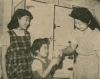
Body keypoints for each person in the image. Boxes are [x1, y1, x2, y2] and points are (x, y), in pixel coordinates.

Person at [62, 7, 100, 79]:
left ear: (88, 22)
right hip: (79, 63)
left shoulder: (96, 34)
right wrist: (62, 51)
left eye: (80, 23)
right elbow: (71, 48)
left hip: (92, 64)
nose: (77, 25)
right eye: (75, 23)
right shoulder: (75, 32)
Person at [0, 9, 34, 79]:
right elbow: (3, 57)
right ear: (18, 18)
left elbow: (32, 56)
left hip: (27, 74)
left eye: (29, 21)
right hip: (12, 75)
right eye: (26, 19)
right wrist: (5, 76)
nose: (28, 23)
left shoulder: (30, 35)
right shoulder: (7, 35)